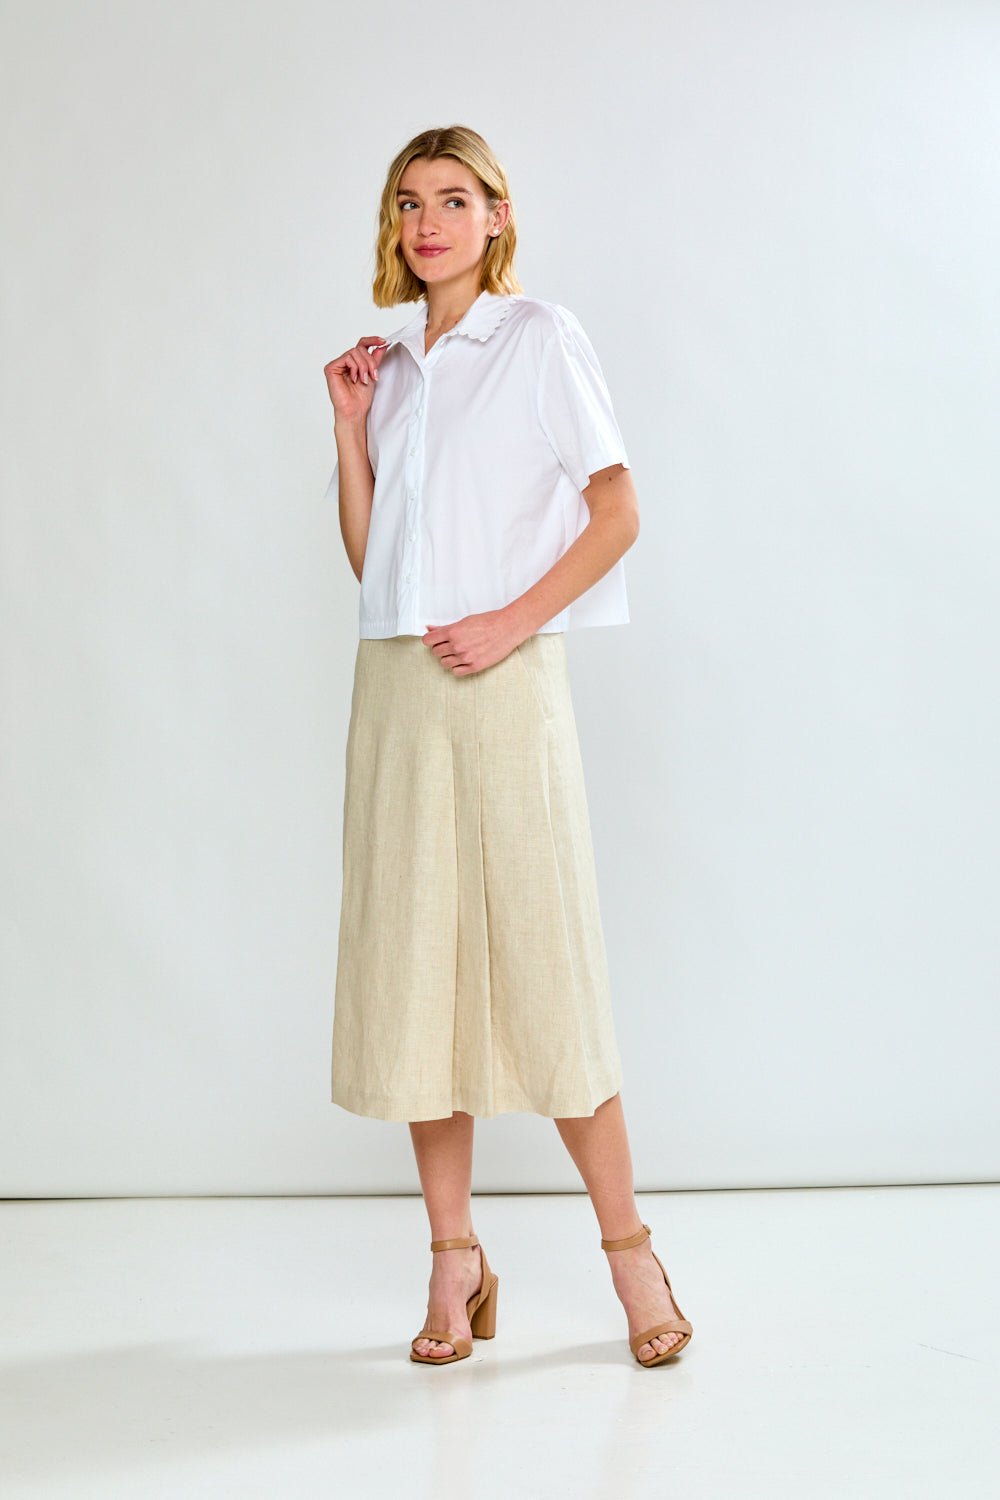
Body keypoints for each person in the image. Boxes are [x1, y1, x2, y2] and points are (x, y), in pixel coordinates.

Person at [322, 125, 693, 1369]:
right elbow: (372, 562)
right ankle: (454, 1261)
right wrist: (349, 426)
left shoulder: (537, 336)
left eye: (452, 199)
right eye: (407, 202)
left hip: (504, 676)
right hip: (397, 689)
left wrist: (511, 620)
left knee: (547, 966)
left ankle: (629, 1254)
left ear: (496, 215)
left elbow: (617, 510)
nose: (427, 222)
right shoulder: (394, 370)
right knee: (415, 975)